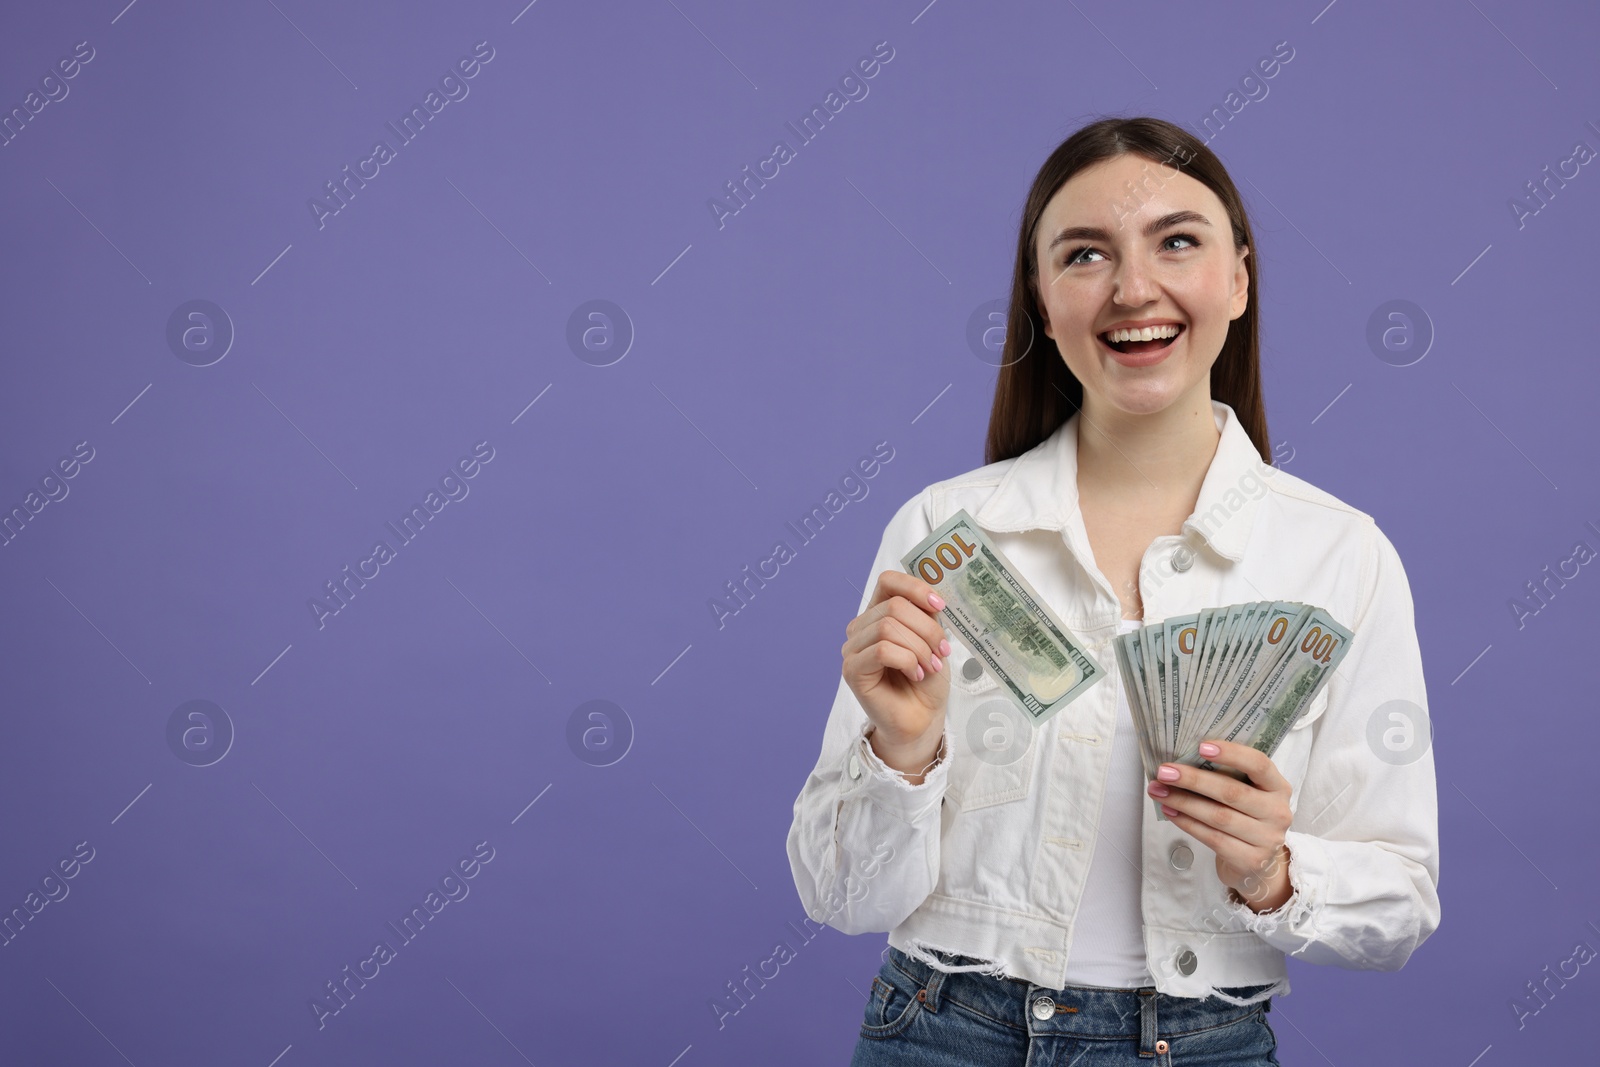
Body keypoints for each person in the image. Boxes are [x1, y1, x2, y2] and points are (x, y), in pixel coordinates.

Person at [785, 116, 1440, 1066]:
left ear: (1239, 279)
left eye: (1178, 241)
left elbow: (1402, 905)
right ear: (1044, 304)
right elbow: (841, 900)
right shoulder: (941, 532)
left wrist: (1272, 869)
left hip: (1201, 1041)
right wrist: (904, 750)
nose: (1135, 289)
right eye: (1085, 254)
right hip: (940, 1033)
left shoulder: (1342, 557)